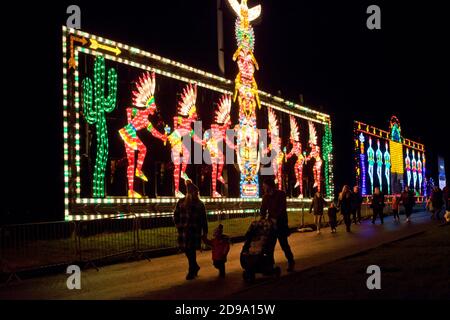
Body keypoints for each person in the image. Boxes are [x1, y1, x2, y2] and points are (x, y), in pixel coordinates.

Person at [173, 180, 208, 280]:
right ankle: (195, 266)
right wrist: (179, 225)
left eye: (197, 193)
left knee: (191, 250)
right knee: (186, 249)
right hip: (184, 231)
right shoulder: (181, 202)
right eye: (194, 192)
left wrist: (204, 232)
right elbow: (176, 214)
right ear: (189, 192)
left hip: (194, 231)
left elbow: (203, 219)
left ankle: (191, 270)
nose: (196, 194)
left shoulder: (200, 204)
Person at [260, 177, 295, 272]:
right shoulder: (265, 197)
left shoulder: (281, 194)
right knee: (269, 247)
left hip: (281, 223)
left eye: (264, 186)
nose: (263, 188)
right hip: (271, 225)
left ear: (269, 186)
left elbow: (282, 208)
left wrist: (276, 218)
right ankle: (270, 266)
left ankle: (291, 261)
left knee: (284, 245)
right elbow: (263, 210)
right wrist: (261, 220)